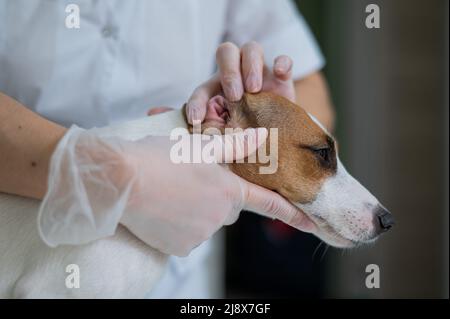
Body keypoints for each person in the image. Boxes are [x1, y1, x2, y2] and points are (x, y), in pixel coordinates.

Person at [0, 0, 334, 298]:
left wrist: (263, 113)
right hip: (21, 237)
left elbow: (311, 92)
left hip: (175, 277)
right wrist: (116, 175)